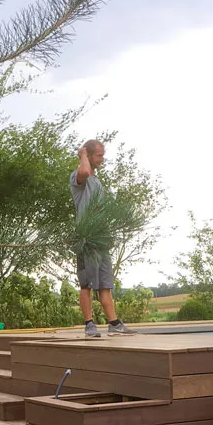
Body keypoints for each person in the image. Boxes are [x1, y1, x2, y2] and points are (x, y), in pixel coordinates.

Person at [70, 140, 132, 337]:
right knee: (86, 283)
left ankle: (113, 323)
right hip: (86, 238)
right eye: (99, 155)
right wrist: (82, 156)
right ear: (88, 155)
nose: (102, 159)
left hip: (101, 239)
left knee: (105, 283)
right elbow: (84, 173)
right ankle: (89, 324)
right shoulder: (79, 177)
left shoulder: (97, 181)